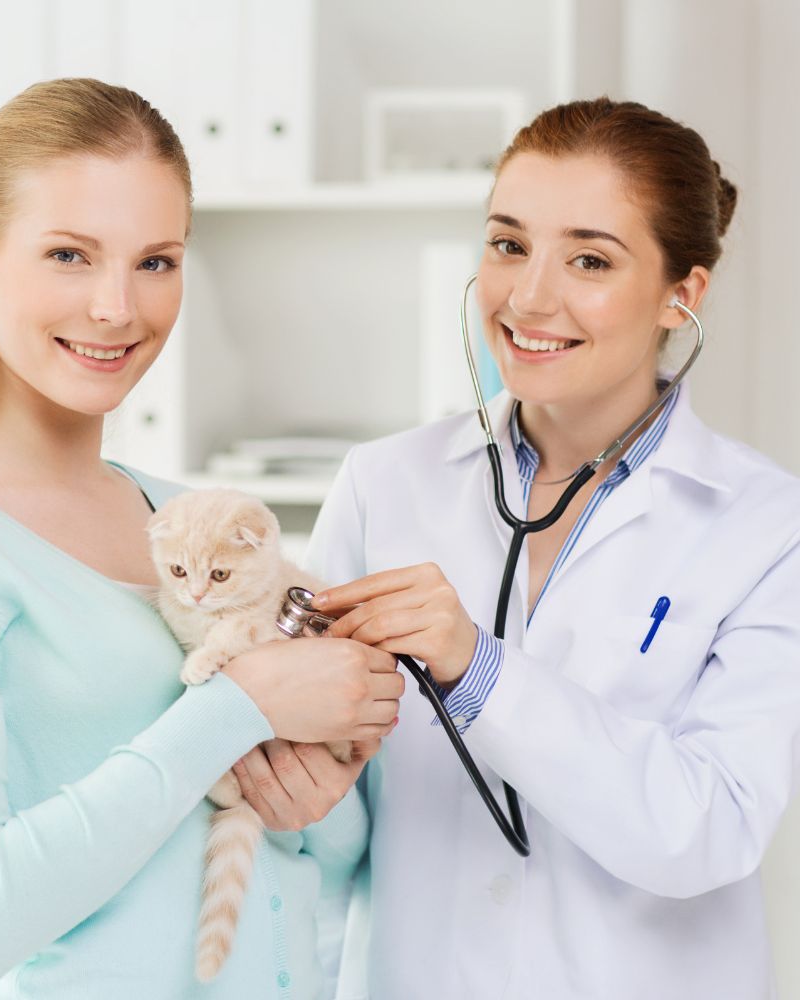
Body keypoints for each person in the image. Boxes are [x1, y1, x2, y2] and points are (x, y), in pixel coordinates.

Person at [0, 78, 402, 1000]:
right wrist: (243, 702)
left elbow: (325, 865)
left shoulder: (188, 527)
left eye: (156, 261)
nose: (117, 309)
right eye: (69, 254)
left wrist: (322, 794)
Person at [234, 98, 800, 999]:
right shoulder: (386, 484)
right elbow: (327, 820)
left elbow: (710, 829)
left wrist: (477, 670)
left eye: (589, 259)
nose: (530, 297)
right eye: (508, 244)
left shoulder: (767, 527)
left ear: (681, 295)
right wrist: (301, 787)